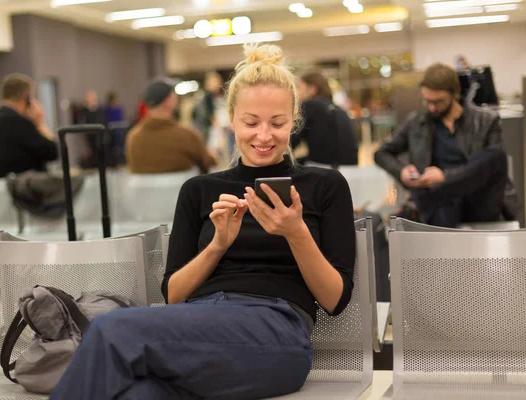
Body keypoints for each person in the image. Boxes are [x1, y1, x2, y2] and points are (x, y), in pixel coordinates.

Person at [51, 43, 356, 400]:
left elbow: (335, 300)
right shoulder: (199, 190)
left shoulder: (323, 186)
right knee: (138, 395)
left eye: (277, 123)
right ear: (231, 119)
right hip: (198, 325)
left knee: (108, 330)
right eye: (250, 122)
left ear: (293, 121)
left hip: (277, 331)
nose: (263, 136)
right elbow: (175, 294)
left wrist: (295, 232)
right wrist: (218, 245)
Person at [374, 62, 511, 228]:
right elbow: (381, 153)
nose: (432, 108)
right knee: (443, 202)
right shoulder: (416, 123)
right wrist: (401, 171)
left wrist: (446, 177)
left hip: (477, 199)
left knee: (495, 155)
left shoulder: (487, 120)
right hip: (443, 204)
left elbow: (492, 168)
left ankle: (427, 199)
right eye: (427, 101)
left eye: (439, 102)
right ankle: (433, 197)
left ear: (455, 94)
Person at [126, 78, 217, 174]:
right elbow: (210, 163)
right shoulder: (188, 136)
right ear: (168, 102)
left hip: (145, 189)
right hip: (179, 188)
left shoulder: (132, 138)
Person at [0, 73, 58, 179]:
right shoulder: (17, 123)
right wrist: (39, 124)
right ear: (27, 97)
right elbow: (53, 152)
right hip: (18, 192)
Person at [292, 71, 358, 166]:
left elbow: (293, 140)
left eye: (299, 88)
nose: (296, 93)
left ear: (312, 89)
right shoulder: (338, 109)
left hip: (327, 167)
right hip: (350, 167)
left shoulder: (309, 105)